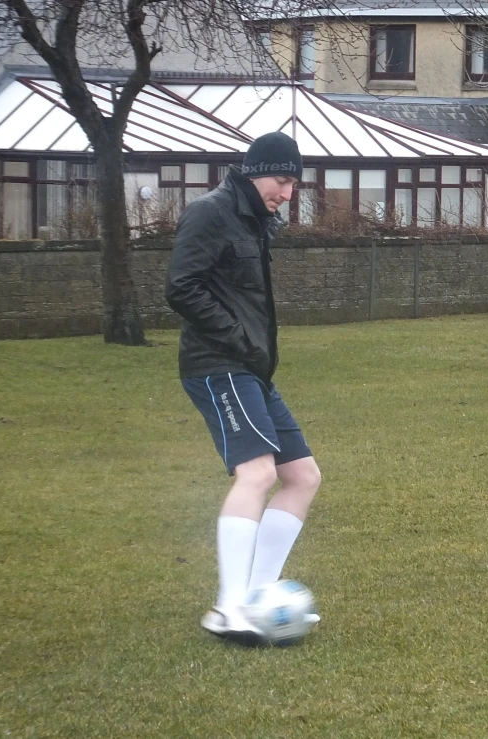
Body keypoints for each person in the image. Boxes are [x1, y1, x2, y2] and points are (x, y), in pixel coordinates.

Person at [165, 132, 321, 645]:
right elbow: (181, 287)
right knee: (256, 474)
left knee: (301, 476)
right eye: (283, 180)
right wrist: (236, 337)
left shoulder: (258, 221)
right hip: (218, 365)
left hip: (251, 368)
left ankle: (259, 595)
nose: (288, 193)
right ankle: (230, 609)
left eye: (294, 183)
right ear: (257, 172)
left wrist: (253, 351)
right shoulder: (210, 212)